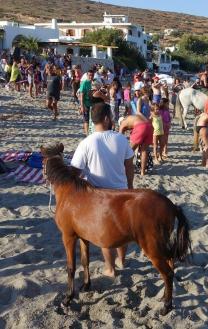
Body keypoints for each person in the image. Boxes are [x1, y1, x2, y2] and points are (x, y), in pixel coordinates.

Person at [70, 103, 134, 277]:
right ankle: (122, 260)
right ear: (107, 119)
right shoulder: (121, 139)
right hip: (121, 193)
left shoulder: (86, 143)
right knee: (124, 231)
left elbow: (74, 172)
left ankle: (110, 268)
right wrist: (130, 186)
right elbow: (129, 166)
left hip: (99, 196)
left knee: (105, 235)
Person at [79, 70, 94, 135]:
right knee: (86, 119)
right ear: (87, 75)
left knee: (93, 119)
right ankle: (87, 134)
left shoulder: (94, 82)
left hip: (93, 104)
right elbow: (81, 95)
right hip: (86, 104)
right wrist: (82, 106)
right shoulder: (84, 83)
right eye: (89, 75)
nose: (91, 76)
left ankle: (90, 132)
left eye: (92, 75)